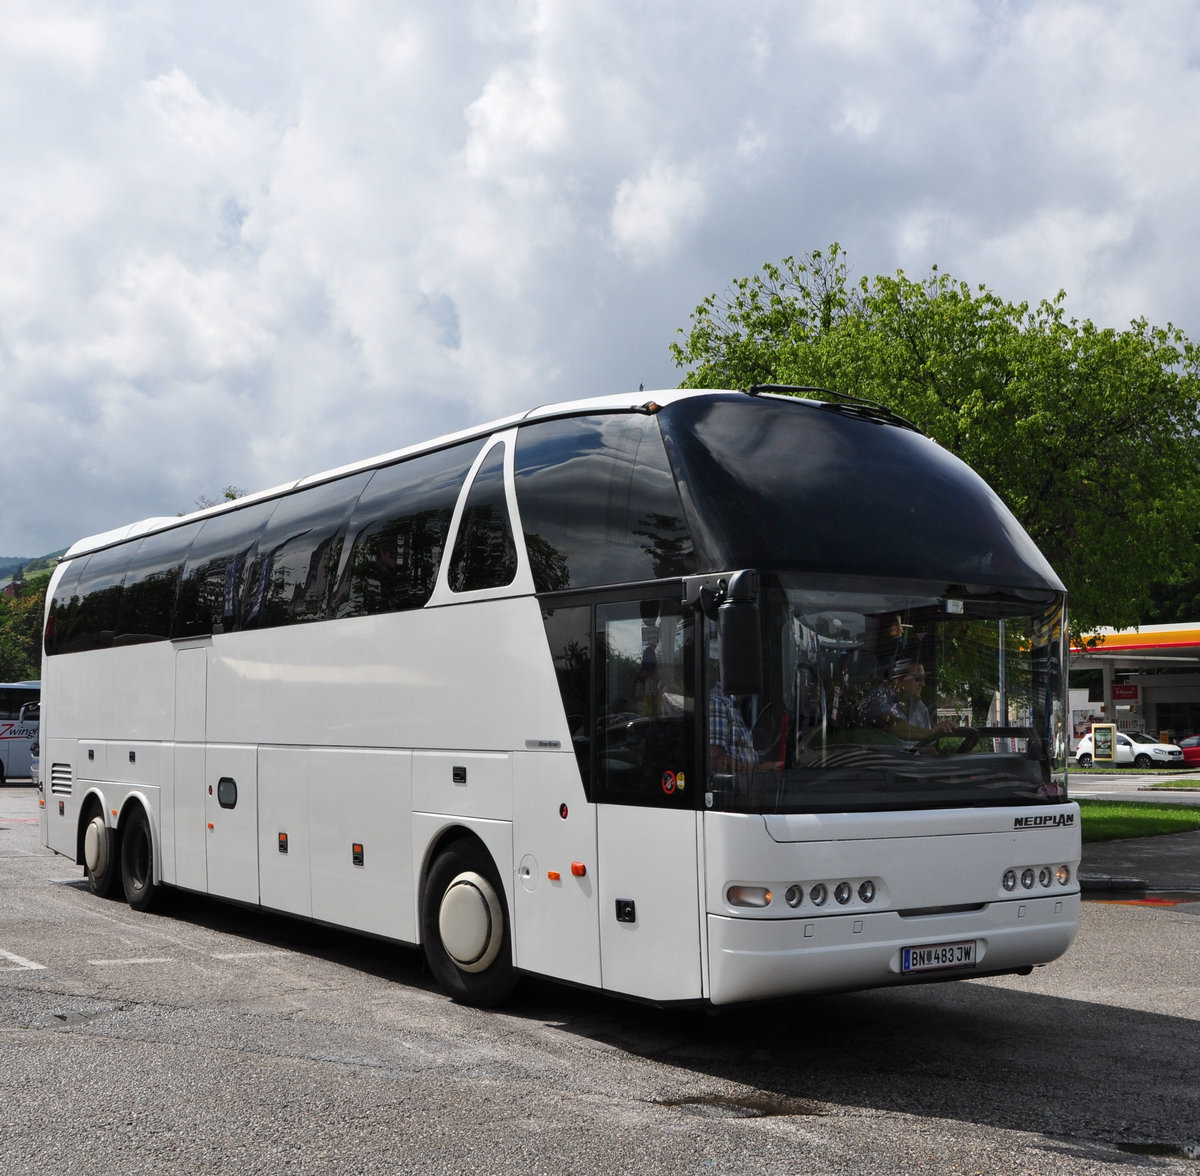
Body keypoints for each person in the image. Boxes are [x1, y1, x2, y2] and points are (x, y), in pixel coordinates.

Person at [860, 658, 951, 742]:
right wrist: (928, 734)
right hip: (881, 759)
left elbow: (925, 746)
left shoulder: (920, 707)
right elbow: (892, 725)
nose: (923, 684)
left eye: (923, 678)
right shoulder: (877, 698)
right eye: (918, 678)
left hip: (912, 759)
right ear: (898, 680)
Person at [708, 680, 758, 779]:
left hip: (744, 781)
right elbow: (715, 759)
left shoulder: (732, 703)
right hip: (731, 786)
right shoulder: (719, 703)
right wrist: (759, 768)